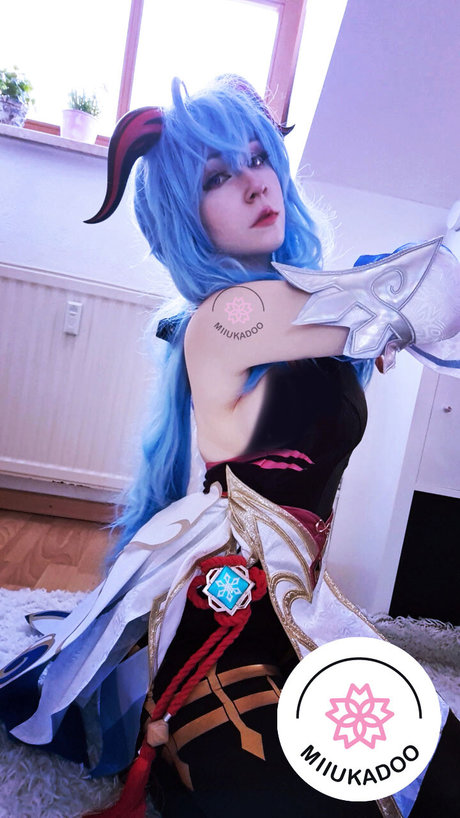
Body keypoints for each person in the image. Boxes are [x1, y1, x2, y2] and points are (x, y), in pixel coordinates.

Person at [0, 76, 458, 818]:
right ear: (184, 215)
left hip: (298, 608)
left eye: (259, 157)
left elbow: (388, 309)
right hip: (225, 618)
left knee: (432, 768)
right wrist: (379, 324)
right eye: (217, 176)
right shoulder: (227, 316)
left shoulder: (308, 317)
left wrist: (370, 334)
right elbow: (434, 292)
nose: (254, 183)